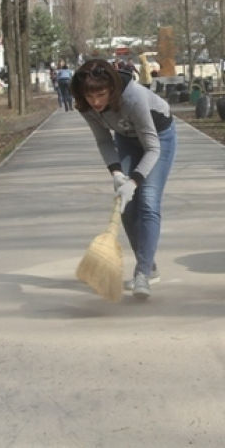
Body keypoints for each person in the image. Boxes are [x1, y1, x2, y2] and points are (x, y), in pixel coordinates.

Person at [70, 58, 177, 299]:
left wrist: (135, 181)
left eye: (101, 95)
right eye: (90, 97)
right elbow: (103, 141)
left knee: (148, 201)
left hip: (159, 138)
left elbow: (152, 148)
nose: (96, 102)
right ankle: (149, 264)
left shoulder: (134, 98)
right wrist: (118, 174)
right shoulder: (86, 106)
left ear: (112, 89)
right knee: (125, 206)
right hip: (126, 139)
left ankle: (142, 274)